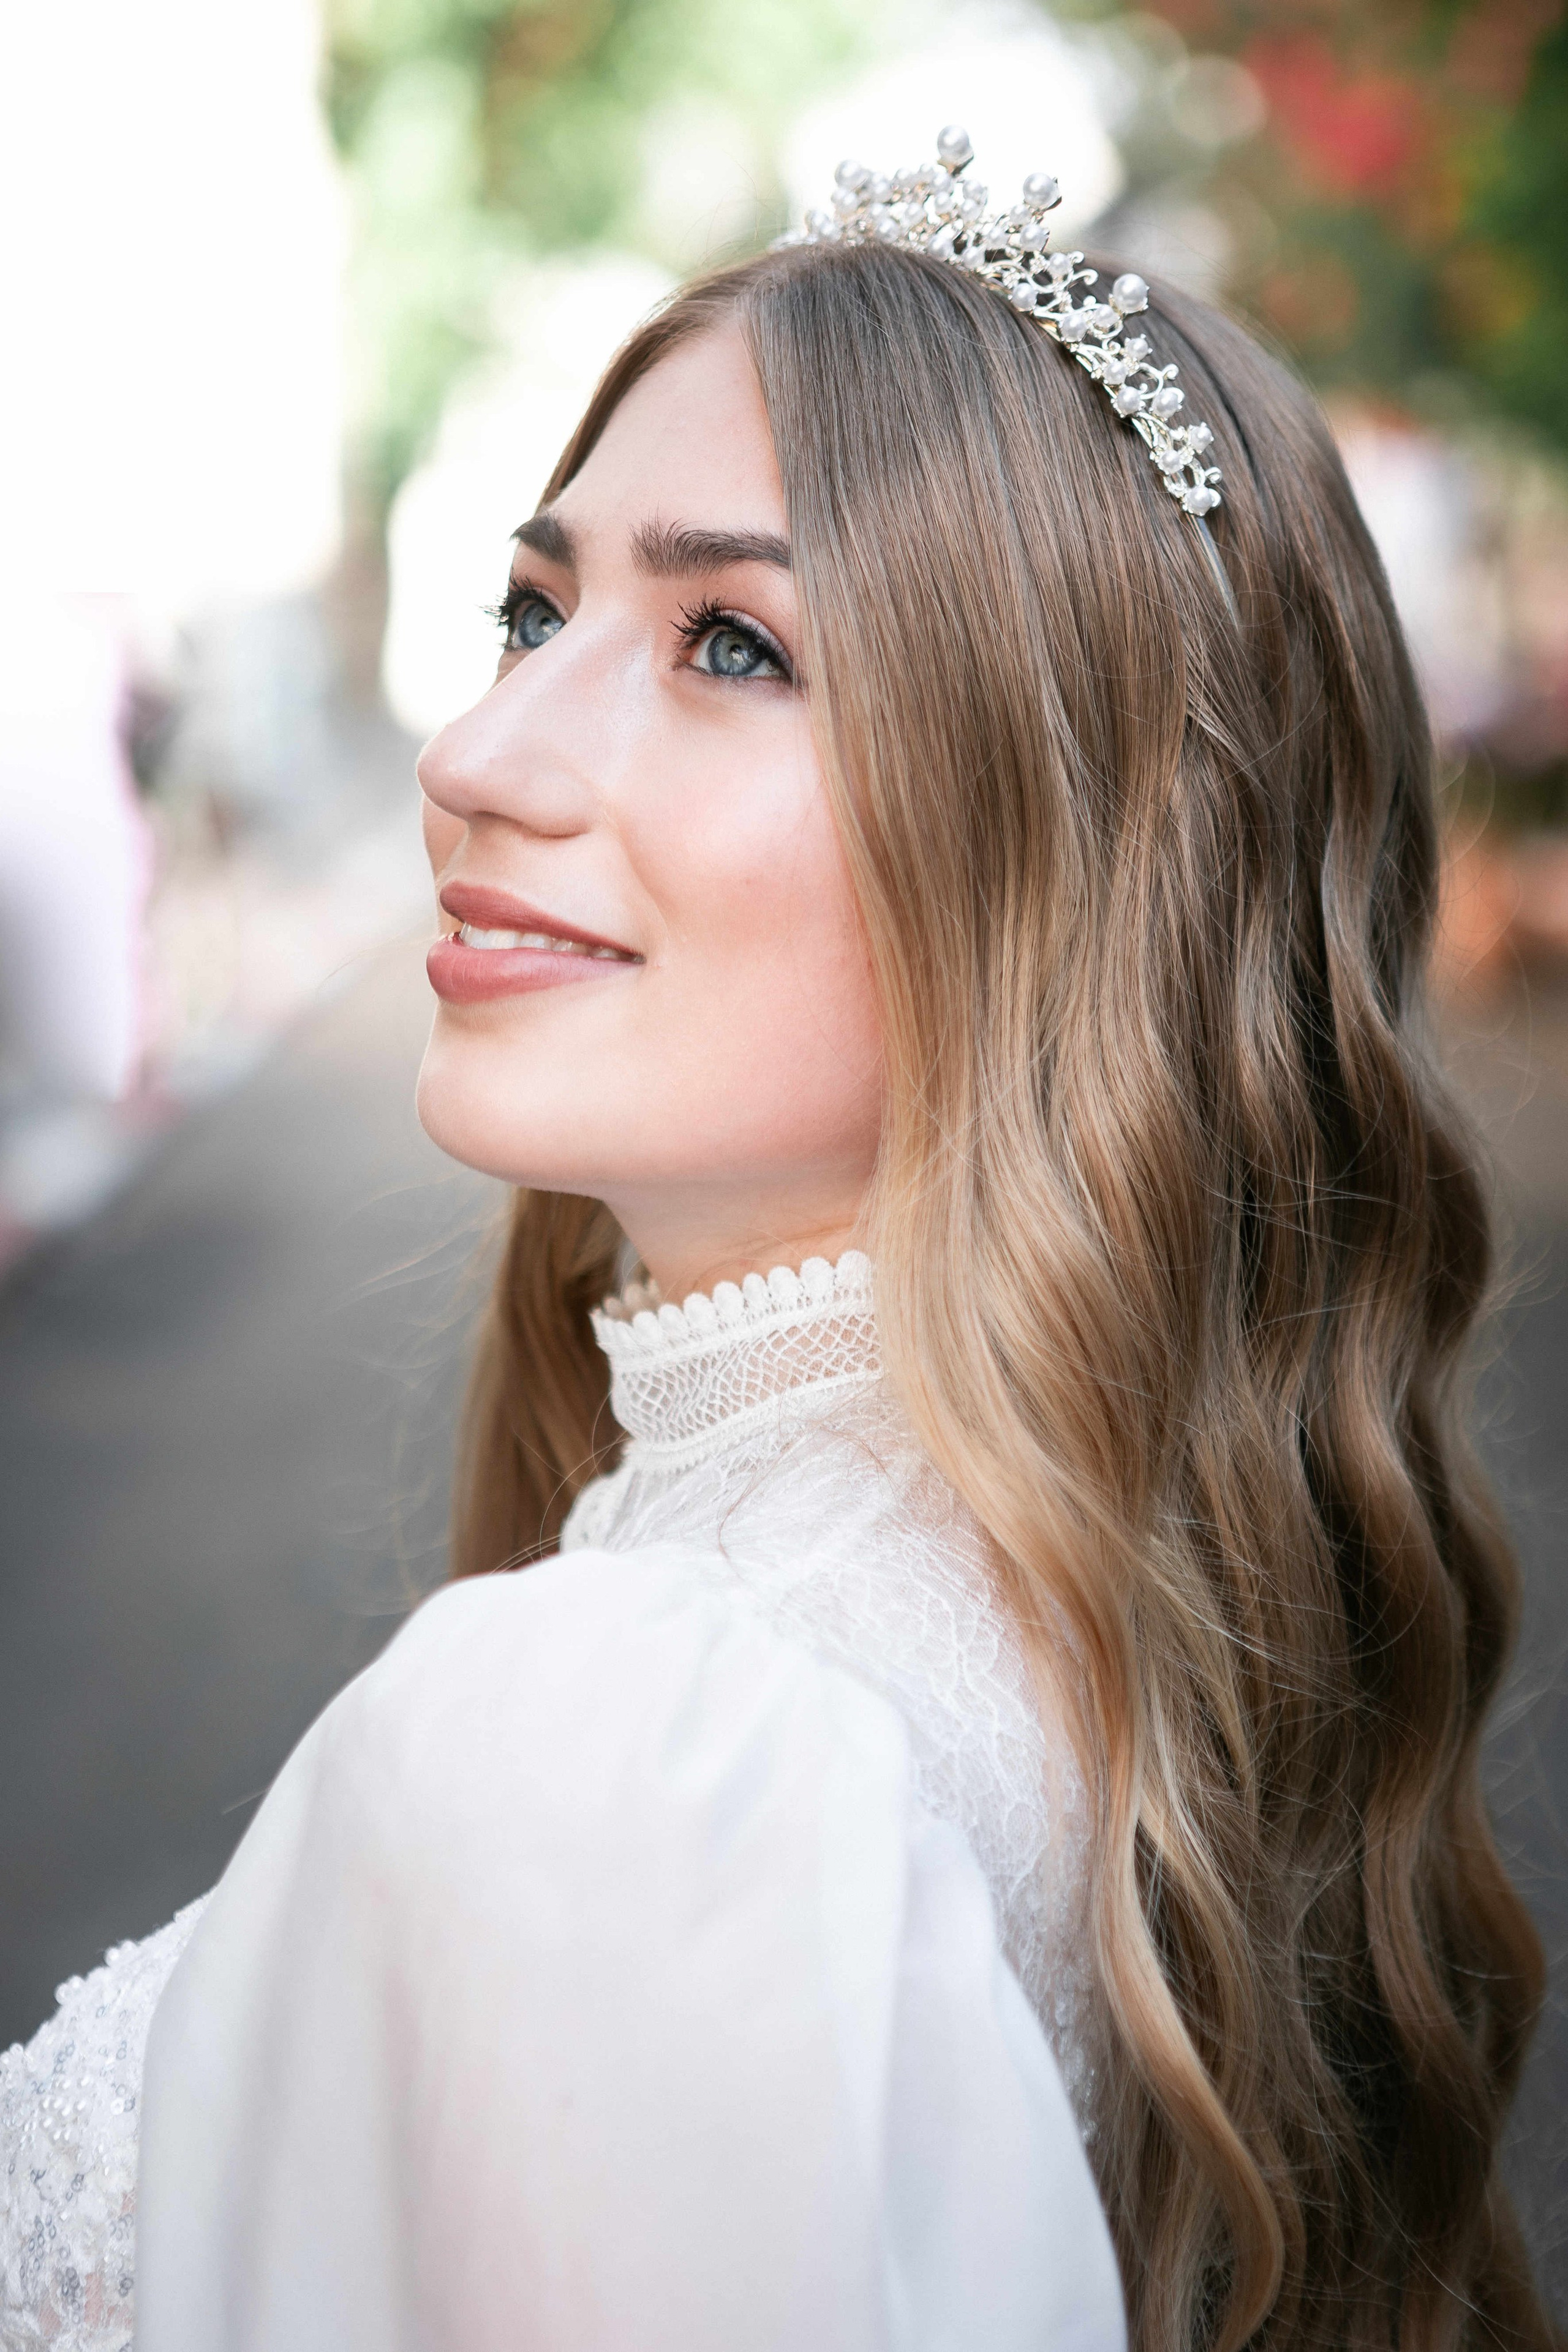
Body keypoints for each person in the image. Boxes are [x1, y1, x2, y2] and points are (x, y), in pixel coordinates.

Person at [0, 130, 1551, 2352]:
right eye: (535, 613)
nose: (485, 751)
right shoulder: (1049, 1618)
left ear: (1090, 850)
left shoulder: (640, 1746)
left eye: (732, 642)